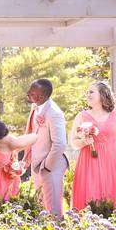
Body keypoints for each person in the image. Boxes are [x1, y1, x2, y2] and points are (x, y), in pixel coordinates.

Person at [69, 82, 116, 211]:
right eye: (88, 92)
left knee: (110, 197)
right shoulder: (82, 116)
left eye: (91, 92)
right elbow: (74, 143)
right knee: (90, 195)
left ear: (102, 94)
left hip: (111, 162)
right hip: (89, 162)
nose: (88, 95)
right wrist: (84, 141)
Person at [22, 78, 68, 217]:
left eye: (31, 92)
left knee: (53, 208)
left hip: (50, 166)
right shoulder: (36, 108)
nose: (28, 94)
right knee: (41, 205)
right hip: (37, 165)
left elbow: (60, 143)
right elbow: (31, 132)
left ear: (41, 96)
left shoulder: (54, 113)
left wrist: (46, 166)